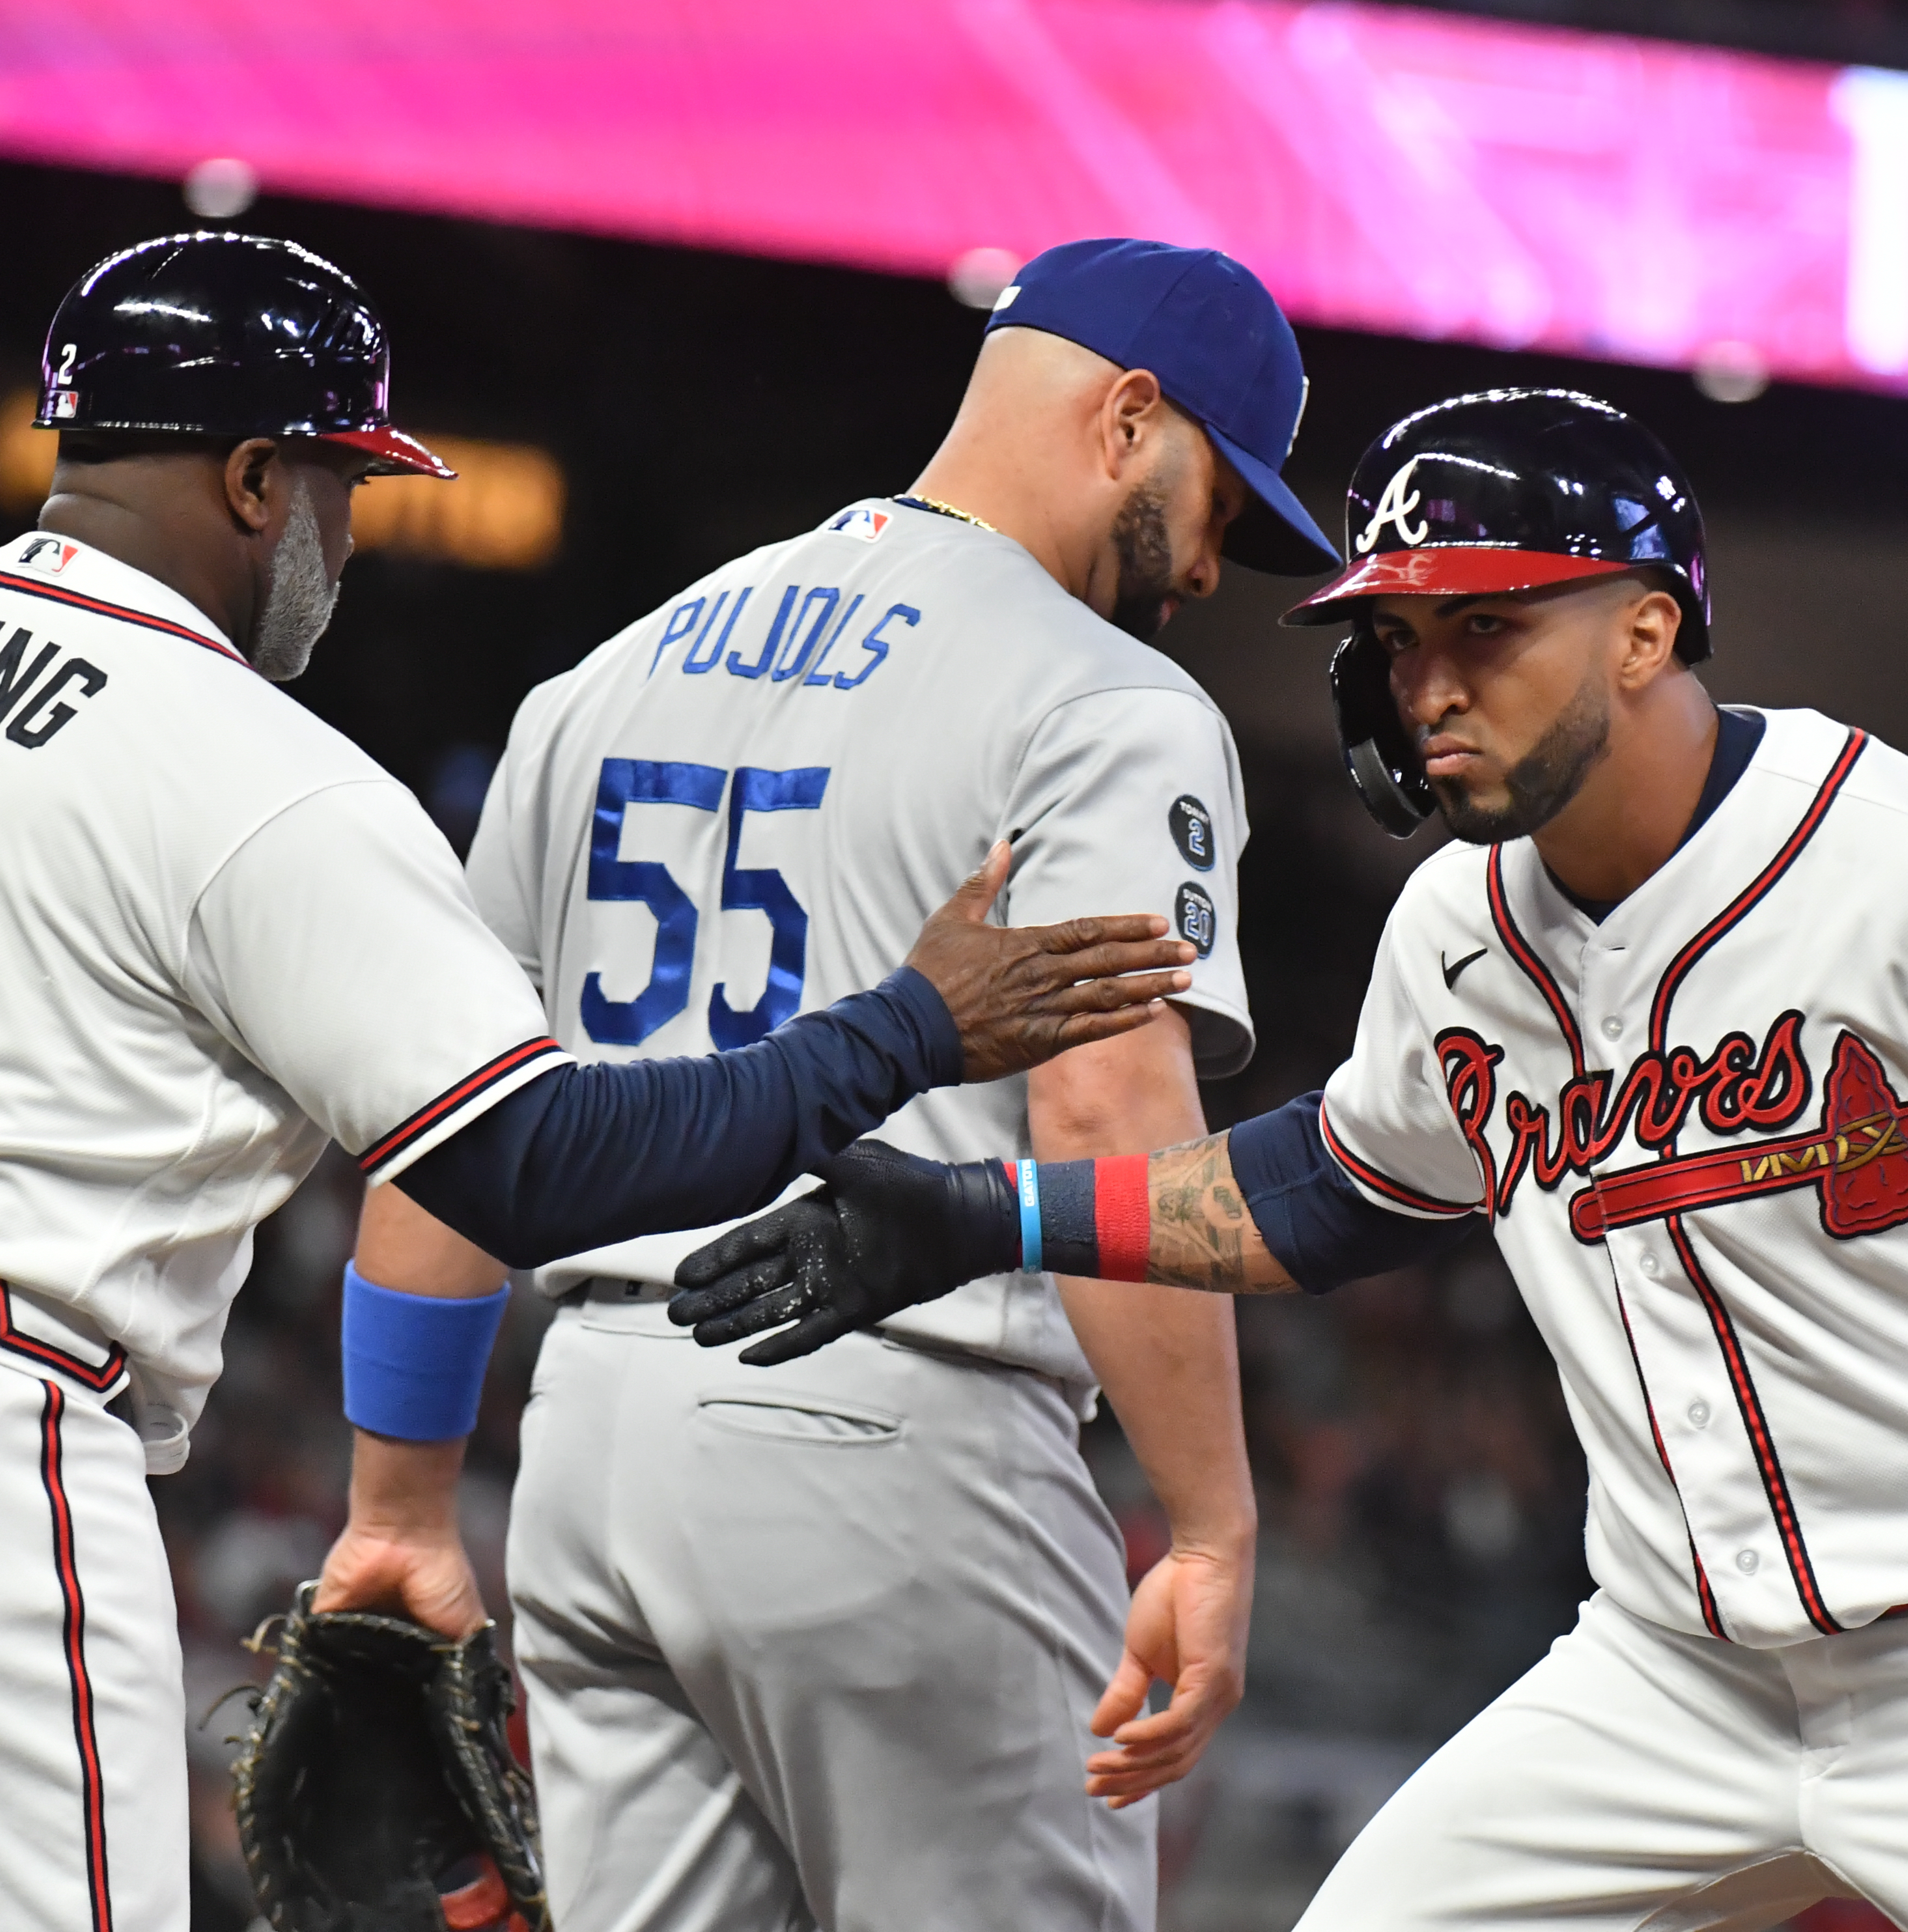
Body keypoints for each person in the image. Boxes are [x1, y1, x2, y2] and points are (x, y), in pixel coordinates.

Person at [674, 388, 1908, 1931]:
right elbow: (1330, 1193)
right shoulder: (1460, 937)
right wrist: (982, 1216)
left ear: (1644, 628)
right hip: (1665, 1682)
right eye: (1399, 642)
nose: (1425, 688)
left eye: (1484, 631)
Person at [0, 231, 1190, 1932]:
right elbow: (539, 1160)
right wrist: (907, 1030)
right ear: (255, 480)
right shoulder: (242, 766)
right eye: (339, 490)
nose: (346, 539)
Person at [341, 238, 1337, 1931]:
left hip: (589, 1458)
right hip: (893, 1429)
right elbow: (1107, 1115)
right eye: (1220, 497)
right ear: (1128, 414)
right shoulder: (1101, 698)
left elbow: (449, 1129)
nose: (1213, 562)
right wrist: (1213, 1525)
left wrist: (400, 1504)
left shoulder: (608, 676)